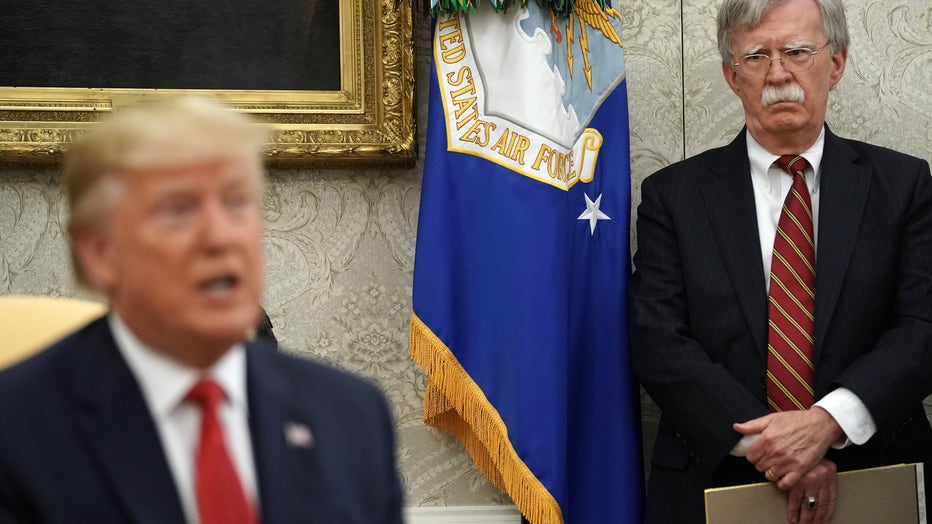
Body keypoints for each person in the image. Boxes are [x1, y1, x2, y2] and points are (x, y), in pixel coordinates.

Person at [0, 96, 404, 523]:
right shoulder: (16, 431)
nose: (220, 237)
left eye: (236, 203)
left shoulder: (351, 414)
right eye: (179, 210)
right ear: (101, 253)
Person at [630, 0, 932, 523]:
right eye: (756, 56)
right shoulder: (671, 196)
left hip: (875, 474)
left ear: (835, 63)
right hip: (714, 478)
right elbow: (658, 340)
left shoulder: (903, 186)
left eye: (797, 51)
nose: (777, 73)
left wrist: (826, 425)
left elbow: (922, 327)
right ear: (731, 75)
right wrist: (778, 449)